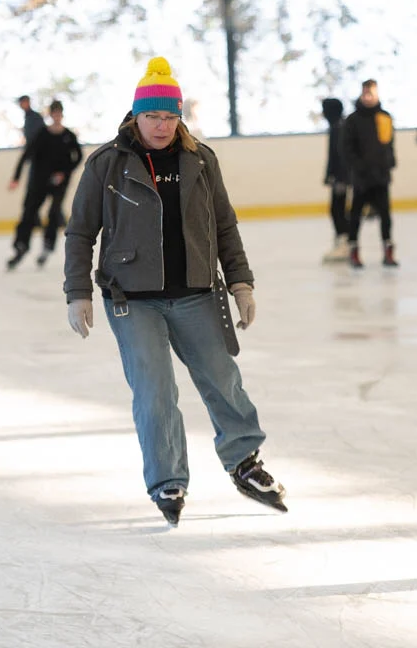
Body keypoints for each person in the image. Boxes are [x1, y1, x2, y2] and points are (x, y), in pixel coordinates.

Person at [63, 56, 286, 526]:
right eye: (152, 116)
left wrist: (241, 282)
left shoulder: (200, 160)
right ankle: (168, 479)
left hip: (196, 293)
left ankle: (245, 462)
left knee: (222, 378)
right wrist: (77, 291)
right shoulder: (107, 164)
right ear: (135, 115)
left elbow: (224, 225)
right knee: (155, 390)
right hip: (131, 299)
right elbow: (81, 231)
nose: (162, 126)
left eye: (170, 116)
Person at [8, 100, 83, 269]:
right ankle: (21, 245)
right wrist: (16, 177)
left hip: (59, 183)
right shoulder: (42, 134)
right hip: (40, 181)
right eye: (54, 113)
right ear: (50, 115)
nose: (56, 117)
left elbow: (78, 157)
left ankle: (48, 244)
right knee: (29, 210)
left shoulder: (68, 136)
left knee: (54, 211)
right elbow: (26, 155)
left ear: (62, 115)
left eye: (59, 114)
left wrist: (64, 173)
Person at [341, 80, 398, 269]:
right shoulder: (353, 120)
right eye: (365, 93)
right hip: (361, 177)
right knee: (355, 215)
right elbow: (347, 148)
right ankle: (354, 250)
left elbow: (388, 144)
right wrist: (358, 166)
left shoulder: (385, 117)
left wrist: (390, 162)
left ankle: (388, 250)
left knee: (385, 215)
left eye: (371, 93)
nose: (368, 97)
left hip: (381, 176)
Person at [321, 98, 350, 263]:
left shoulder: (340, 128)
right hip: (338, 177)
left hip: (341, 178)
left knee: (338, 209)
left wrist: (341, 178)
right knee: (336, 209)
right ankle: (342, 240)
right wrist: (328, 175)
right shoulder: (335, 127)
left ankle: (344, 242)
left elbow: (341, 155)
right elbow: (332, 155)